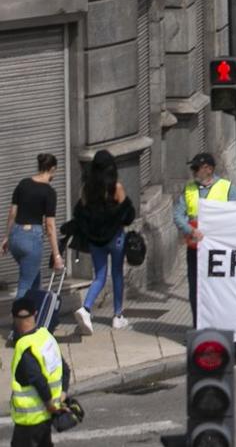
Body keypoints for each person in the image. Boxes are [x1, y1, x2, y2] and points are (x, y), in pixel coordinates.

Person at [65, 150, 134, 334]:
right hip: (115, 238)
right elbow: (128, 214)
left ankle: (86, 307)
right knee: (117, 274)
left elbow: (81, 213)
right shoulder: (116, 188)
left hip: (96, 241)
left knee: (100, 276)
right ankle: (118, 316)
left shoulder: (86, 189)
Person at [173, 153, 236, 318]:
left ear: (209, 169)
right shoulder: (189, 188)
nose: (193, 171)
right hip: (195, 247)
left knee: (218, 289)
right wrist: (191, 230)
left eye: (196, 168)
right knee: (195, 289)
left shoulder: (226, 187)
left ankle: (217, 323)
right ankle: (198, 327)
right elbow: (177, 215)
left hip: (218, 250)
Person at [9, 294, 70, 447]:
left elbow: (37, 378)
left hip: (30, 419)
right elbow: (65, 369)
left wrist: (48, 401)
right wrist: (63, 393)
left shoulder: (24, 346)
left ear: (14, 318)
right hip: (46, 415)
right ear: (35, 313)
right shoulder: (46, 337)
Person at [6, 156, 59, 301]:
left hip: (15, 237)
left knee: (34, 279)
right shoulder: (49, 192)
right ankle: (19, 321)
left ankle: (34, 317)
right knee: (25, 285)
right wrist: (57, 255)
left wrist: (6, 237)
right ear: (52, 169)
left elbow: (12, 213)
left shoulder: (23, 184)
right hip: (31, 239)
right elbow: (49, 226)